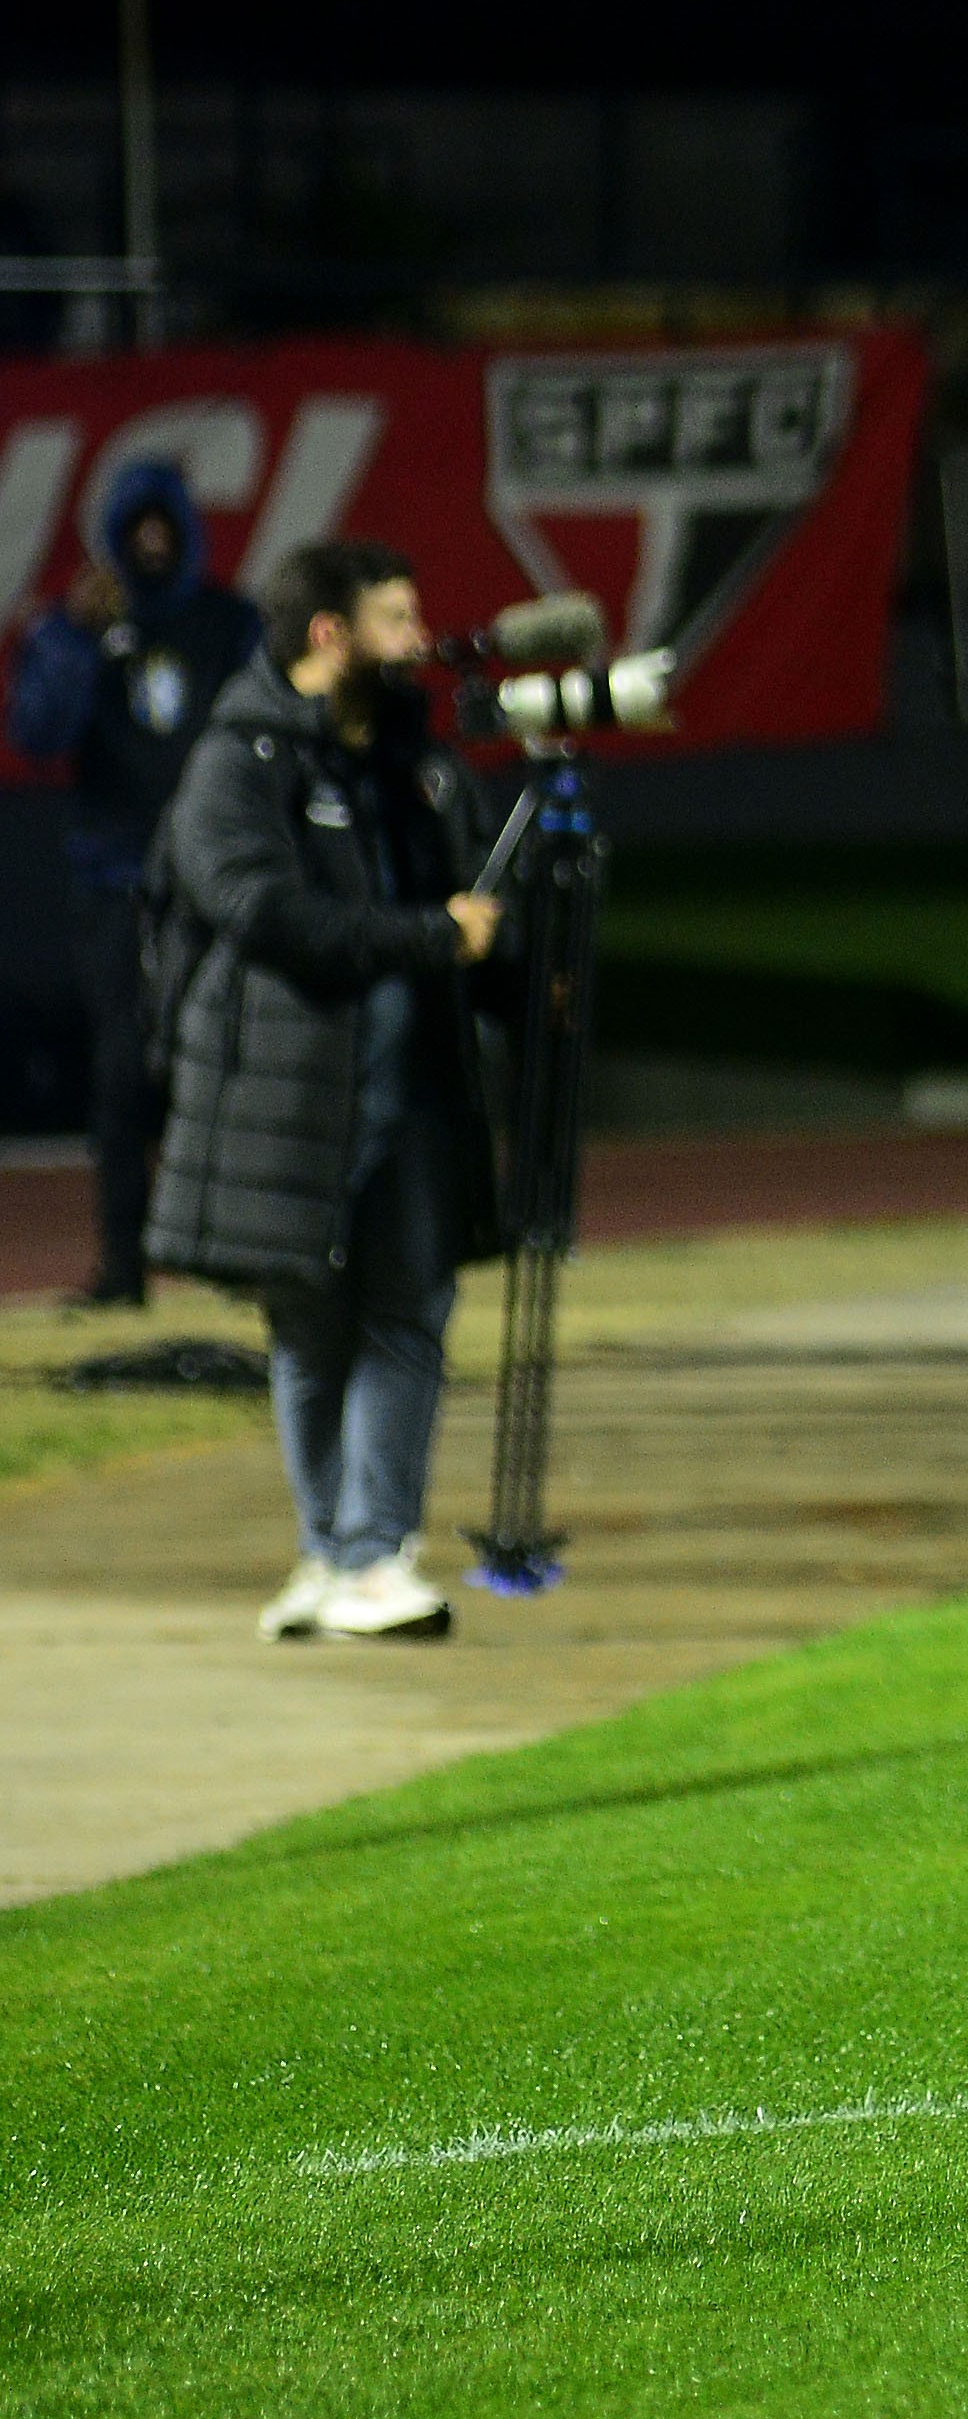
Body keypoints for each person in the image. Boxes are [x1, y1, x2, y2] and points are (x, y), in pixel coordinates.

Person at [147, 540, 508, 1645]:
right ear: (329, 634)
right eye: (398, 620)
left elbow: (482, 886)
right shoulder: (236, 761)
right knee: (308, 1322)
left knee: (405, 1310)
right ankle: (344, 1553)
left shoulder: (417, 761)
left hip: (409, 1093)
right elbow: (263, 913)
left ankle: (362, 1550)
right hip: (282, 1092)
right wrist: (430, 934)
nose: (421, 641)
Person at [8, 458, 264, 1306]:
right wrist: (78, 640)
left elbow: (271, 733)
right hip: (114, 884)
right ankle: (125, 1266)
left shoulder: (230, 623)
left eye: (165, 527)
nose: (152, 544)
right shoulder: (75, 627)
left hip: (211, 884)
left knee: (224, 1069)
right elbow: (38, 735)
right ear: (115, 538)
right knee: (120, 1077)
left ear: (186, 529)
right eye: (136, 529)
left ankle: (233, 1258)